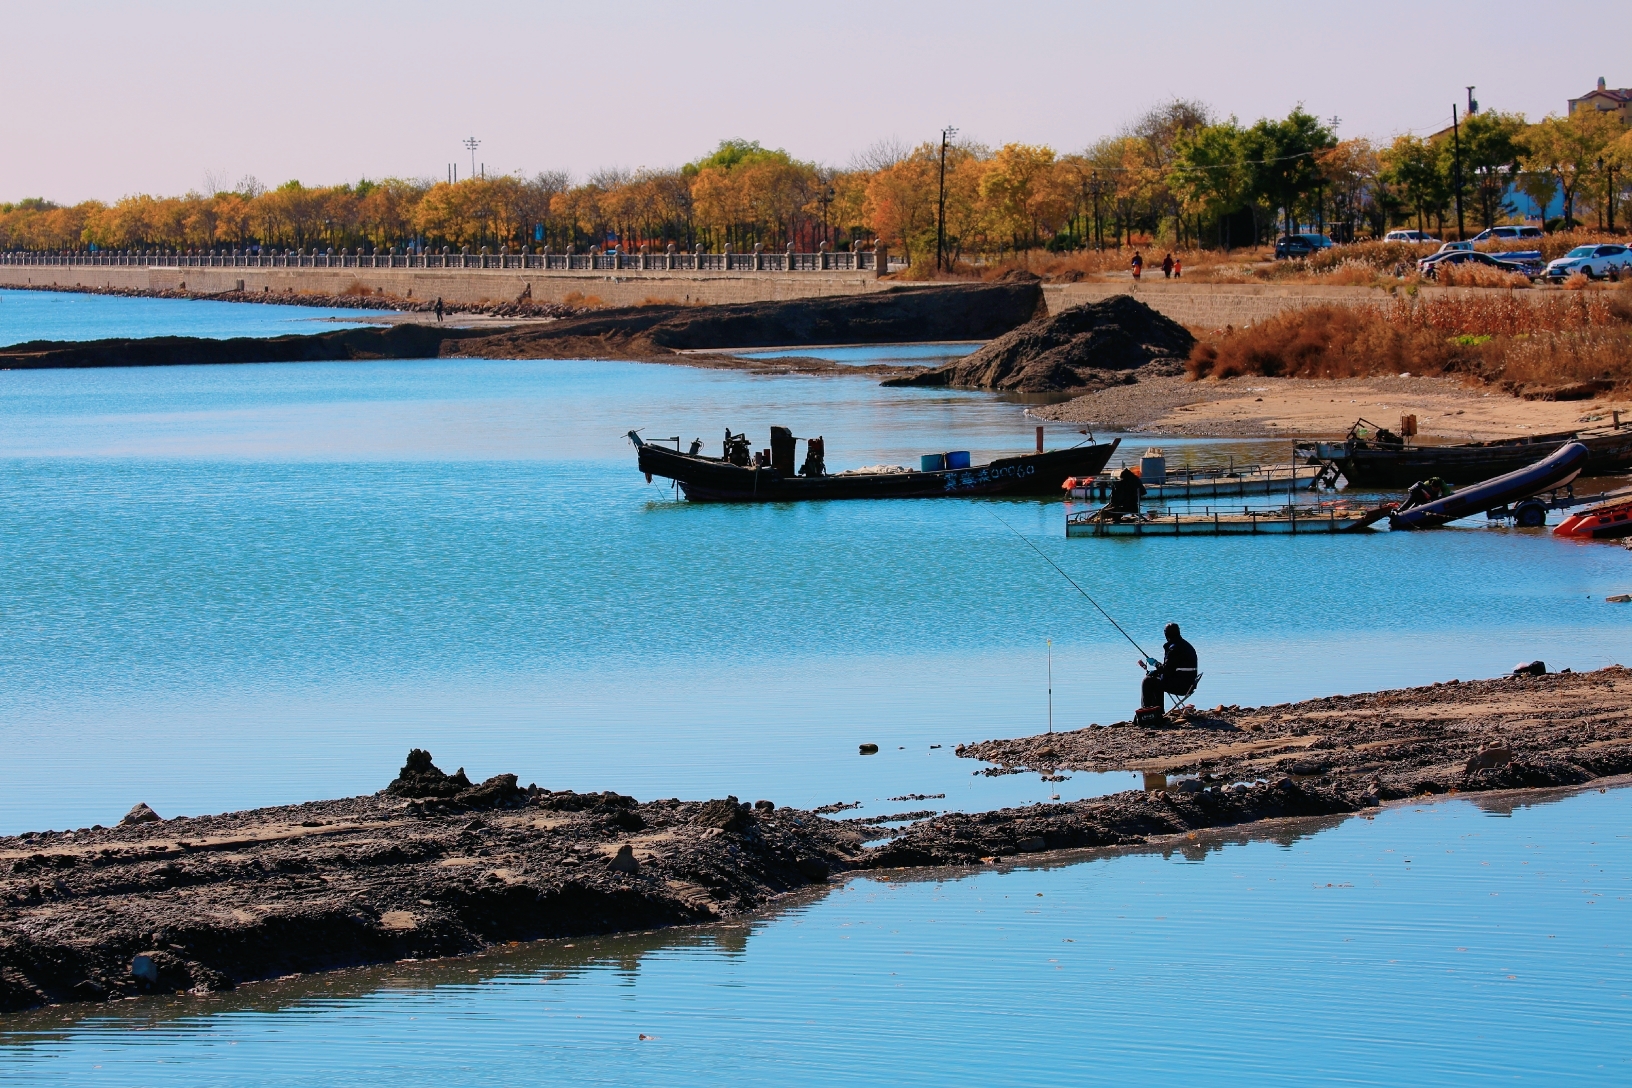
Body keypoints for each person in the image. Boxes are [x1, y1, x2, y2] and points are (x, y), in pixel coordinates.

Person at [1140, 623, 1198, 713]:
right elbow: (1171, 669)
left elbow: (1167, 670)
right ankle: (1157, 712)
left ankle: (1147, 713)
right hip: (1188, 683)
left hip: (1181, 686)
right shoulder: (1185, 645)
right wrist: (1156, 672)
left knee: (1148, 681)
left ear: (1166, 634)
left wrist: (1155, 664)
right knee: (1155, 680)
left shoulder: (1174, 648)